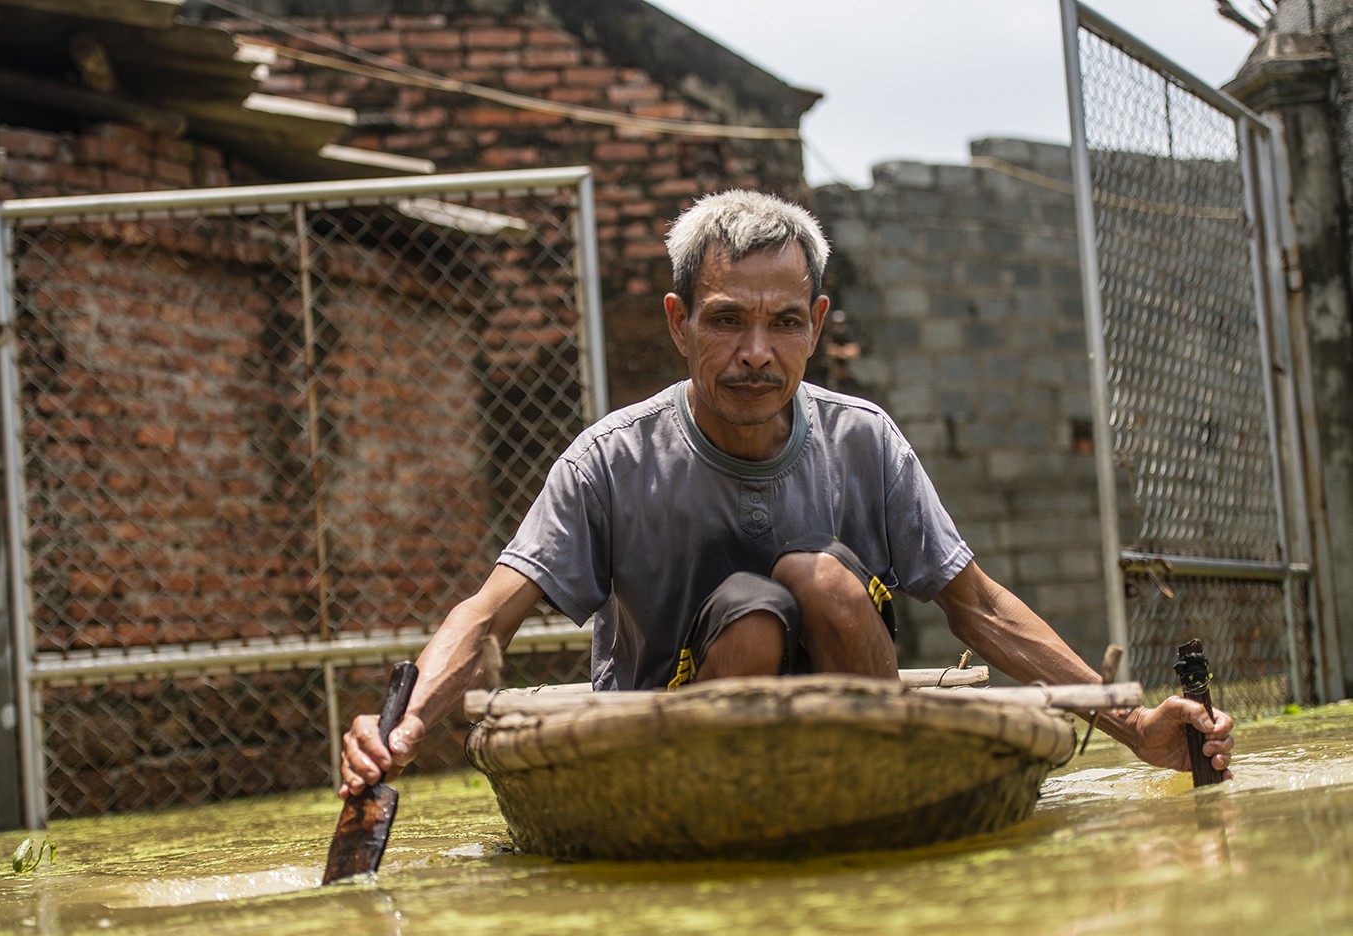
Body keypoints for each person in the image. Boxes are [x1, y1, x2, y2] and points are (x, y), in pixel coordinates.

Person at [338, 189, 1234, 799]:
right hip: (670, 747)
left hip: (859, 727)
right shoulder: (610, 459)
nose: (755, 353)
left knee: (825, 580)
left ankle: (877, 787)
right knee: (753, 611)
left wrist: (1137, 727)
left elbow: (981, 608)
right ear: (681, 324)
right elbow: (489, 613)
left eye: (783, 323)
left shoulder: (863, 440)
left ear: (817, 328)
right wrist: (404, 730)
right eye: (727, 320)